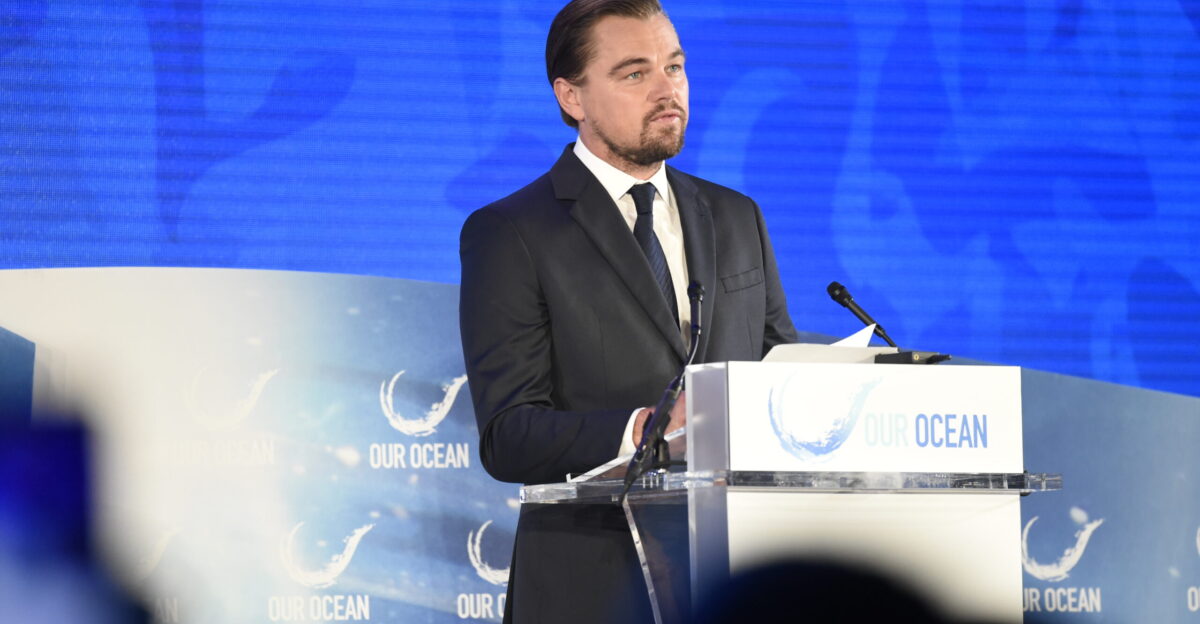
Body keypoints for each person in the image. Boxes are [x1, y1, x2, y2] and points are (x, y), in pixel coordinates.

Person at [458, 1, 797, 622]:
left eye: (675, 67)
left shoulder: (736, 216)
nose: (668, 89)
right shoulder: (512, 233)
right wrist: (648, 430)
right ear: (572, 97)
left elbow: (775, 369)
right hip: (593, 586)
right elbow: (509, 435)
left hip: (739, 578)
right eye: (635, 73)